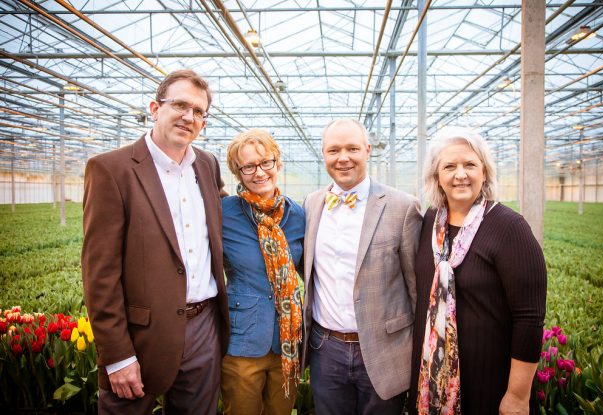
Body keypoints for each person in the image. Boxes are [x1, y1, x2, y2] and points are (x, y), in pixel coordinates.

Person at [82, 69, 229, 415]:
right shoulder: (112, 170)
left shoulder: (206, 165)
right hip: (142, 334)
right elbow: (99, 274)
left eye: (198, 112)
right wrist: (117, 355)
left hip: (204, 326)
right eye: (180, 105)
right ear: (155, 107)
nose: (188, 116)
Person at [409, 127, 547, 415]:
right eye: (450, 166)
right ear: (437, 176)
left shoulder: (509, 228)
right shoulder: (430, 223)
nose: (460, 174)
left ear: (484, 173)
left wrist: (517, 396)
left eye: (470, 164)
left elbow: (529, 317)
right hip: (431, 381)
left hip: (489, 386)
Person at [301, 119, 422, 414]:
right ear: (324, 154)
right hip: (325, 348)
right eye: (334, 150)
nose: (343, 158)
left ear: (367, 151)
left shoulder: (402, 207)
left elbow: (416, 288)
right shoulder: (311, 204)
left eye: (352, 148)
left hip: (384, 350)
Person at [220, 129, 305, 415]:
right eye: (248, 167)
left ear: (277, 163)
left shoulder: (297, 215)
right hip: (243, 340)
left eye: (266, 162)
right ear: (238, 172)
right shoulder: (224, 213)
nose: (259, 173)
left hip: (287, 342)